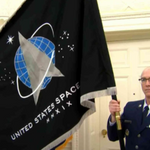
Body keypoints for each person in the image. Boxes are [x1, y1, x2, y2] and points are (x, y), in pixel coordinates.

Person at [107, 67, 150, 150]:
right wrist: (113, 116)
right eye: (143, 79)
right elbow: (114, 136)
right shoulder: (130, 108)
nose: (147, 83)